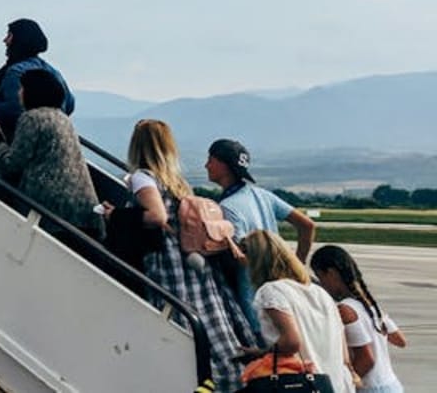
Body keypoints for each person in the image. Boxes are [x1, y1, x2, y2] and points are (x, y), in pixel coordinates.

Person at [114, 119, 254, 390]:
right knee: (212, 325)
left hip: (169, 265)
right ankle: (228, 381)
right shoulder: (178, 181)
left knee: (178, 323)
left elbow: (157, 216)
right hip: (194, 263)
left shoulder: (143, 177)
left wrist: (116, 215)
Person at [207, 137, 317, 343]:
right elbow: (307, 225)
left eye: (210, 159)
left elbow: (241, 257)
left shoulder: (228, 207)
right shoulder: (263, 195)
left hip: (254, 303)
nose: (206, 165)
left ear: (224, 165)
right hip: (284, 292)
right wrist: (298, 262)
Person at [242, 230, 354, 393]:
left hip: (301, 384)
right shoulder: (320, 292)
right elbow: (344, 355)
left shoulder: (271, 291)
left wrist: (261, 354)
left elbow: (292, 342)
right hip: (335, 384)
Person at [0, 67, 101, 237]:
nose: (19, 94)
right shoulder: (62, 117)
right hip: (82, 208)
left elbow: (12, 164)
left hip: (49, 209)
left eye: (22, 88)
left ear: (32, 92)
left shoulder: (32, 118)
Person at [310, 245, 407, 392]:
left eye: (320, 277)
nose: (322, 284)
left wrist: (344, 385)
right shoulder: (370, 305)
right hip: (392, 385)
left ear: (331, 273)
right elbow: (400, 340)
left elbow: (367, 359)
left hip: (371, 388)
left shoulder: (345, 310)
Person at [0, 18, 73, 140]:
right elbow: (70, 103)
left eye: (9, 35)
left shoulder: (16, 72)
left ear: (19, 39)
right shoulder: (52, 72)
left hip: (17, 141)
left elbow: (16, 110)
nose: (5, 40)